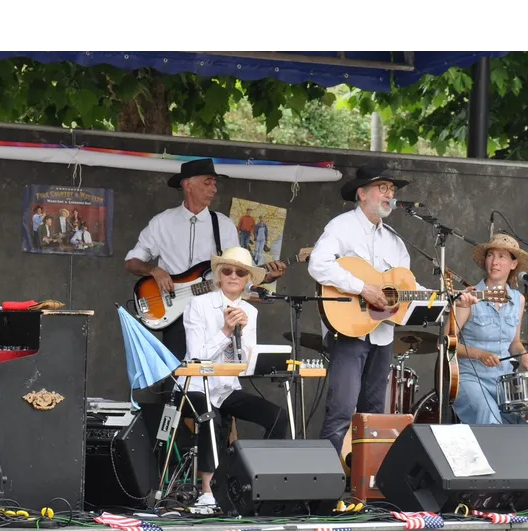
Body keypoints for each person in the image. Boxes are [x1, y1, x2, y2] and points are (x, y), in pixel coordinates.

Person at [125, 158, 287, 369]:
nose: (214, 188)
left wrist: (266, 277)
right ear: (187, 184)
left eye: (215, 183)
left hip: (214, 313)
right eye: (207, 182)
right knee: (175, 377)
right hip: (174, 311)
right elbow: (131, 262)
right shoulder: (162, 222)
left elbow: (236, 273)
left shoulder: (223, 225)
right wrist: (154, 270)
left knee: (217, 372)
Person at [308, 165, 414, 455]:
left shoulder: (395, 241)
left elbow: (407, 287)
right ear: (362, 193)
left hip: (383, 333)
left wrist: (449, 297)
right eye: (383, 188)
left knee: (373, 414)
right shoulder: (341, 227)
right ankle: (325, 488)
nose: (389, 194)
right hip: (348, 330)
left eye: (392, 190)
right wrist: (362, 288)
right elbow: (318, 265)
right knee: (341, 410)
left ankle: (365, 489)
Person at [453, 233, 528, 497]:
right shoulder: (469, 297)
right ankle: (497, 487)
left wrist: (524, 354)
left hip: (505, 382)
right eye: (491, 255)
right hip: (471, 379)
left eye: (503, 257)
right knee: (489, 416)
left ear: (513, 264)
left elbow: (514, 343)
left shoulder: (518, 299)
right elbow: (451, 345)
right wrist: (480, 354)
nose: (495, 261)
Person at [179, 246, 288, 507]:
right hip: (195, 385)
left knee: (277, 416)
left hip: (227, 388)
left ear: (248, 279)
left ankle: (261, 479)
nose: (233, 276)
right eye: (227, 270)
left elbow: (245, 363)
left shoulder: (251, 312)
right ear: (218, 275)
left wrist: (247, 343)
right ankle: (208, 492)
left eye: (240, 272)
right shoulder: (198, 304)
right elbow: (196, 356)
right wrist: (226, 331)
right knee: (211, 417)